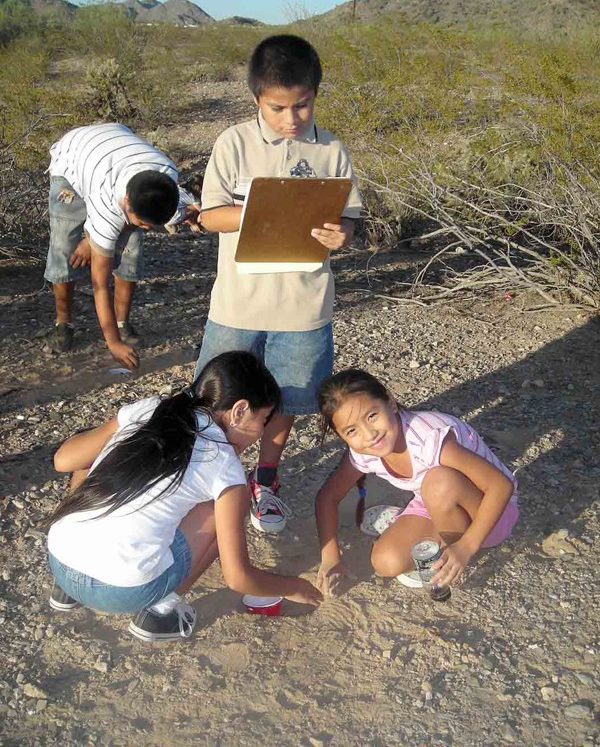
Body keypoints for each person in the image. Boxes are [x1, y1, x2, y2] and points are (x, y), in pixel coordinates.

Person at [195, 34, 363, 534]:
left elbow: (349, 219)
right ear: (256, 100)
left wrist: (342, 235)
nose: (292, 119)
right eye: (278, 108)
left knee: (288, 401)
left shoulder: (332, 148)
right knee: (214, 400)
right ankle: (209, 479)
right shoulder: (233, 143)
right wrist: (262, 209)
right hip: (237, 305)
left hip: (303, 307)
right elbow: (207, 216)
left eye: (303, 105)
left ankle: (264, 480)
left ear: (315, 94)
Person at [46, 351, 323, 643]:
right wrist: (292, 586)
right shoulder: (224, 464)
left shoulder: (150, 409)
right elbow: (238, 577)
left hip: (59, 561)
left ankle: (68, 587)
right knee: (221, 509)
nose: (260, 431)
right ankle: (161, 613)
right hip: (120, 591)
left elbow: (64, 460)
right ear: (239, 411)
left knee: (92, 460)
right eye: (263, 419)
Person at [315, 369, 519, 596]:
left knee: (438, 482)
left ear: (390, 403)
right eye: (352, 430)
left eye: (372, 416)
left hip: (492, 512)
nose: (369, 434)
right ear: (342, 437)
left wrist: (466, 547)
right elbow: (328, 497)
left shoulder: (429, 439)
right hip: (433, 499)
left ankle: (453, 552)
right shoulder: (364, 452)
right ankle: (419, 527)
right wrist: (330, 556)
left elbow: (501, 486)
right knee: (385, 562)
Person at [43, 122, 199, 368]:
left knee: (131, 249)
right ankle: (64, 323)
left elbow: (179, 204)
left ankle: (121, 322)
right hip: (74, 158)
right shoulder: (108, 204)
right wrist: (112, 343)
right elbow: (99, 284)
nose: (146, 228)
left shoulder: (166, 174)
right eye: (141, 222)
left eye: (152, 225)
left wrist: (189, 214)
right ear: (126, 201)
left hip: (117, 151)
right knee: (65, 246)